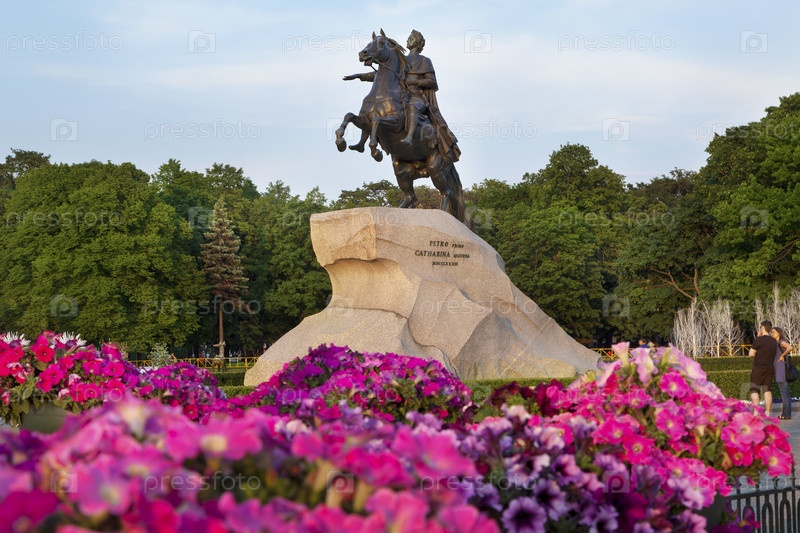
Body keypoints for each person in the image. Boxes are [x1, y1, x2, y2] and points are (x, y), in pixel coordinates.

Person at [400, 30, 461, 164]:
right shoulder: (402, 60)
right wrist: (361, 76)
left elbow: (432, 81)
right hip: (402, 96)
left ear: (418, 42)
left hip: (417, 97)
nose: (407, 41)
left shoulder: (424, 61)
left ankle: (409, 137)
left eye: (410, 38)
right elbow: (385, 76)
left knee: (413, 107)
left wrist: (414, 81)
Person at [748, 320, 779, 415]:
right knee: (767, 389)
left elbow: (751, 354)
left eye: (760, 327)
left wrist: (758, 339)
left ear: (763, 327)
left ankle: (756, 411)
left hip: (758, 368)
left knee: (754, 389)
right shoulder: (774, 341)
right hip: (770, 368)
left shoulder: (759, 340)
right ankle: (768, 411)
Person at [771, 326, 793, 420]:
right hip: (779, 371)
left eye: (774, 332)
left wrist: (783, 355)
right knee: (784, 394)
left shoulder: (781, 342)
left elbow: (790, 347)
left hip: (781, 371)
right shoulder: (776, 343)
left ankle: (786, 414)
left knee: (785, 394)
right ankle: (785, 414)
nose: (772, 333)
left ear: (778, 333)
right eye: (771, 332)